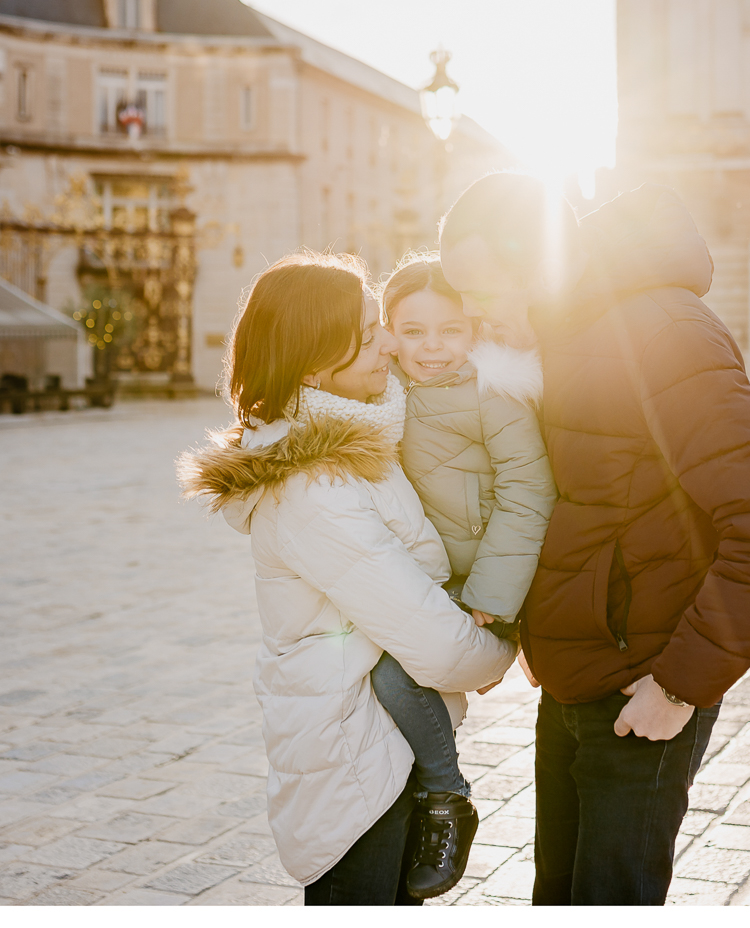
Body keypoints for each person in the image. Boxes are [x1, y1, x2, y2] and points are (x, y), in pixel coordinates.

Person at [437, 173, 750, 905]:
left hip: (642, 689)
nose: (473, 317)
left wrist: (678, 688)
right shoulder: (566, 334)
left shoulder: (664, 333)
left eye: (483, 295)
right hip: (575, 679)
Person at [177, 251, 515, 905]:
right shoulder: (316, 484)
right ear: (312, 363)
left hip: (380, 746)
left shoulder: (357, 443)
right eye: (367, 335)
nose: (388, 342)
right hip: (357, 768)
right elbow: (441, 647)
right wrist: (509, 647)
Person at [367, 249, 556, 897]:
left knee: (395, 673)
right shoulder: (378, 391)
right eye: (413, 331)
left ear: (473, 330)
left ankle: (447, 798)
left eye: (450, 331)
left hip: (475, 589)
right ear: (387, 329)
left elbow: (528, 493)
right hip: (412, 575)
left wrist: (493, 596)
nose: (432, 348)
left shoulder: (493, 393)